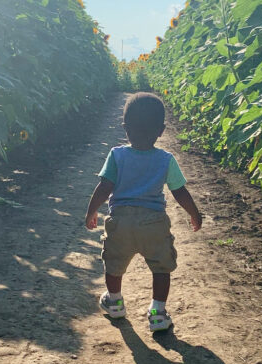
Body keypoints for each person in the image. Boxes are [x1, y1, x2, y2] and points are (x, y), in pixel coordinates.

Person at [84, 92, 203, 333]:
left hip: (121, 222)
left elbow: (105, 186)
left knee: (114, 263)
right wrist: (194, 214)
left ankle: (114, 302)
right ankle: (158, 313)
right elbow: (179, 191)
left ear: (125, 128)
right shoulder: (166, 160)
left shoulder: (117, 155)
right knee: (161, 267)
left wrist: (91, 211)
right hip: (154, 223)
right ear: (161, 130)